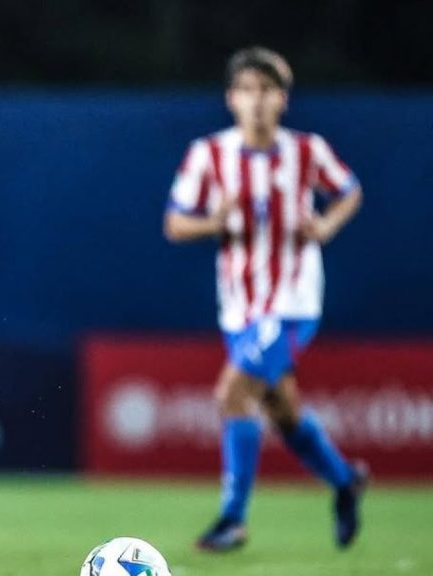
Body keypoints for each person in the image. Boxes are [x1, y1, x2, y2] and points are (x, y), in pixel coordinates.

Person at [164, 46, 366, 552]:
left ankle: (233, 519)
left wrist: (326, 225)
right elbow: (175, 223)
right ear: (231, 99)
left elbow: (349, 190)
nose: (256, 101)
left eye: (266, 91)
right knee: (282, 410)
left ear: (282, 99)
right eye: (246, 90)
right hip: (239, 308)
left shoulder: (307, 151)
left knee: (233, 393)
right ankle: (344, 480)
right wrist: (215, 221)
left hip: (293, 302)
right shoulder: (208, 154)